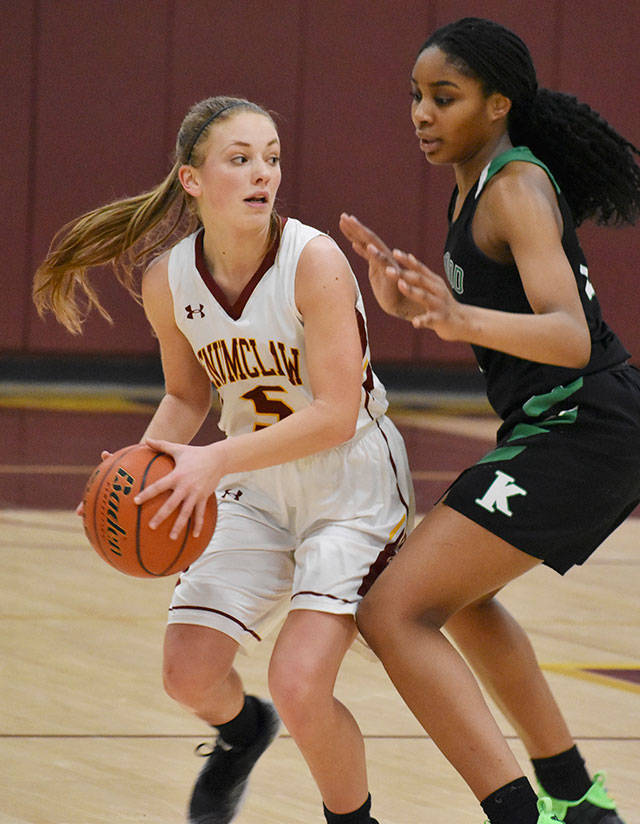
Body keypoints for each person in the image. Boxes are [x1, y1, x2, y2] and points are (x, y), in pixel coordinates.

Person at [33, 95, 414, 824]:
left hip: (353, 487)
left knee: (301, 683)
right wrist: (134, 478)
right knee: (187, 674)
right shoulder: (168, 280)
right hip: (255, 484)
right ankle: (243, 733)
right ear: (192, 181)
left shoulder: (314, 260)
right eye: (239, 159)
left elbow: (335, 416)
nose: (262, 172)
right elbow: (186, 395)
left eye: (270, 157)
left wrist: (211, 462)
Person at [340, 17, 640, 824]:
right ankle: (577, 801)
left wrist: (458, 320)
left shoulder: (515, 187)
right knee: (459, 601)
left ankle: (520, 812)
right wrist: (415, 305)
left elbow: (570, 335)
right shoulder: (476, 183)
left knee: (392, 609)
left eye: (445, 97)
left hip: (585, 424)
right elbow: (483, 312)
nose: (422, 113)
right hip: (564, 427)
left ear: (499, 103)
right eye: (415, 97)